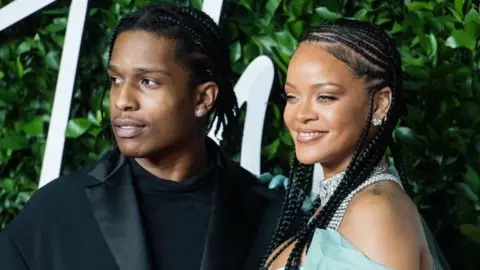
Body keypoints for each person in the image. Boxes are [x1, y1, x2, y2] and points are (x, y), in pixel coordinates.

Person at [0, 4, 286, 270]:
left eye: (148, 82)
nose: (122, 100)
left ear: (203, 98)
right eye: (115, 80)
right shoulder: (57, 210)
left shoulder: (267, 214)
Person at [260, 19, 449, 270]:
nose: (301, 114)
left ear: (380, 104)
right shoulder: (346, 203)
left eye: (325, 97)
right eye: (292, 97)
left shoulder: (376, 211)